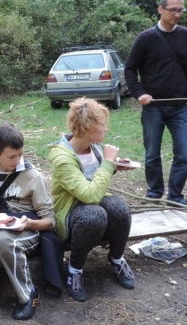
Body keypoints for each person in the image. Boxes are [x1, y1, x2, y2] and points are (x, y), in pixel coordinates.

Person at [48, 97, 135, 302]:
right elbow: (90, 195)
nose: (106, 129)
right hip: (69, 215)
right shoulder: (62, 158)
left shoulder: (93, 147)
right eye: (103, 126)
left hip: (92, 207)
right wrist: (107, 164)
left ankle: (116, 258)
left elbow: (94, 180)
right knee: (94, 215)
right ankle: (75, 270)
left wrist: (114, 166)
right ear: (88, 129)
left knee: (119, 207)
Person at [124, 0, 187, 204]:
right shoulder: (146, 38)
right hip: (153, 108)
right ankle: (154, 193)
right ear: (160, 9)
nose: (177, 14)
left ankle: (176, 196)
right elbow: (130, 69)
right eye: (173, 10)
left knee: (183, 155)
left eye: (181, 10)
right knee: (152, 154)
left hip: (180, 107)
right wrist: (139, 93)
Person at [0, 123, 56, 320]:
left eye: (20, 155)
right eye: (11, 156)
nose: (17, 161)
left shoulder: (33, 176)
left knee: (2, 240)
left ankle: (28, 295)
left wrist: (29, 224)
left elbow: (50, 221)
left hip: (28, 227)